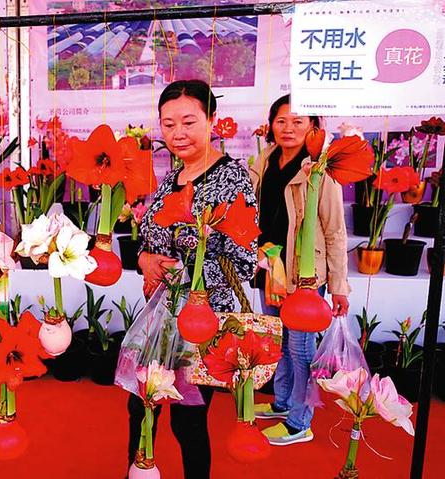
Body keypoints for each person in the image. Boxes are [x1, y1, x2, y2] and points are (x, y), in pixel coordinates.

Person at [130, 79, 258, 478]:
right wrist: (145, 259)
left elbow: (246, 259)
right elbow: (151, 239)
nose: (177, 134)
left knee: (187, 420)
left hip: (203, 322)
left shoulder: (233, 178)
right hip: (161, 319)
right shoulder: (174, 178)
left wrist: (191, 251)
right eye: (168, 125)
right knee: (140, 405)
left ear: (212, 120)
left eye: (188, 122)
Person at [250, 94, 350, 445]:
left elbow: (336, 231)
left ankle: (298, 421)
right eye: (281, 121)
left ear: (313, 127)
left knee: (299, 348)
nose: (288, 128)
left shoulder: (320, 170)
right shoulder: (264, 161)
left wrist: (339, 286)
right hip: (269, 267)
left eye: (297, 121)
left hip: (303, 276)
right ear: (271, 126)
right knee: (276, 341)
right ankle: (280, 402)